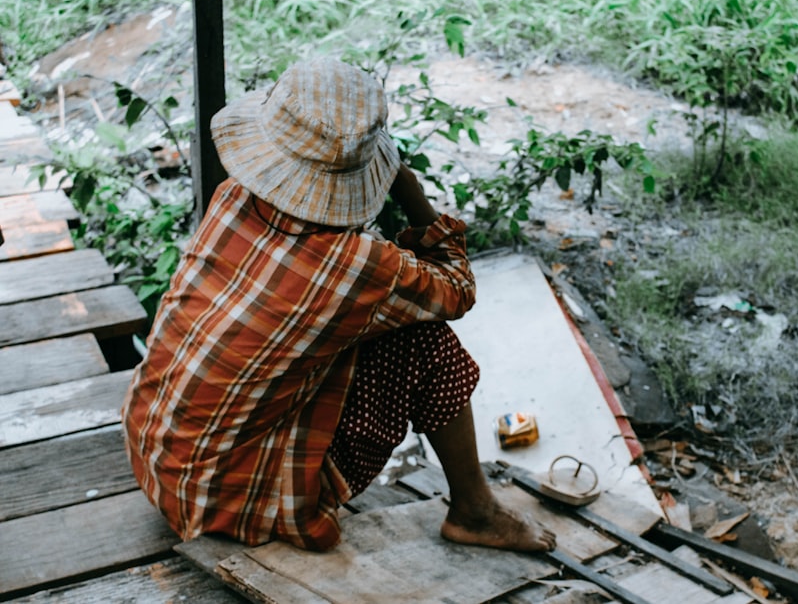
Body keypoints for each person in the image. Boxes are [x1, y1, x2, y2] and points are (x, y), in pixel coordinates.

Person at [121, 56, 556, 553]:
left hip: (157, 456)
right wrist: (406, 185)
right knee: (427, 342)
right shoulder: (357, 264)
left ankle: (475, 509)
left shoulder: (234, 196)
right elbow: (457, 290)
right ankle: (475, 511)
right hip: (229, 500)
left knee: (371, 333)